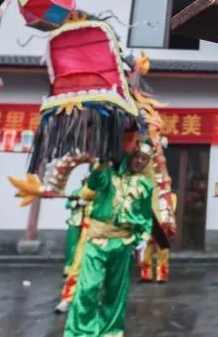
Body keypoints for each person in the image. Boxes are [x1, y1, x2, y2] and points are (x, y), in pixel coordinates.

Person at [64, 143, 154, 337]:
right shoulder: (108, 174)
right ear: (130, 155)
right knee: (88, 287)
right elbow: (93, 183)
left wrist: (144, 237)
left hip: (123, 242)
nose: (139, 161)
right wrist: (102, 162)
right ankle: (81, 331)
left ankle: (111, 331)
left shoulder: (145, 185)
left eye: (144, 159)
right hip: (97, 240)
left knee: (115, 292)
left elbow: (146, 215)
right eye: (137, 156)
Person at [55, 186, 95, 314]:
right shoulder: (81, 191)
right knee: (76, 262)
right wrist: (78, 202)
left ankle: (95, 299)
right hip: (86, 229)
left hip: (109, 233)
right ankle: (68, 298)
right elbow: (70, 204)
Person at [139, 176, 176, 283]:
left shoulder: (172, 197)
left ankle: (162, 276)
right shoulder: (149, 195)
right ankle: (146, 275)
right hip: (150, 227)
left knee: (163, 254)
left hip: (162, 228)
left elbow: (171, 210)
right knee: (146, 253)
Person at [63, 188, 87, 276]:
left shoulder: (94, 192)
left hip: (88, 223)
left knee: (86, 246)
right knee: (72, 246)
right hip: (75, 222)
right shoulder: (76, 192)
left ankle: (83, 268)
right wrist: (76, 203)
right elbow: (67, 205)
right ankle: (69, 267)